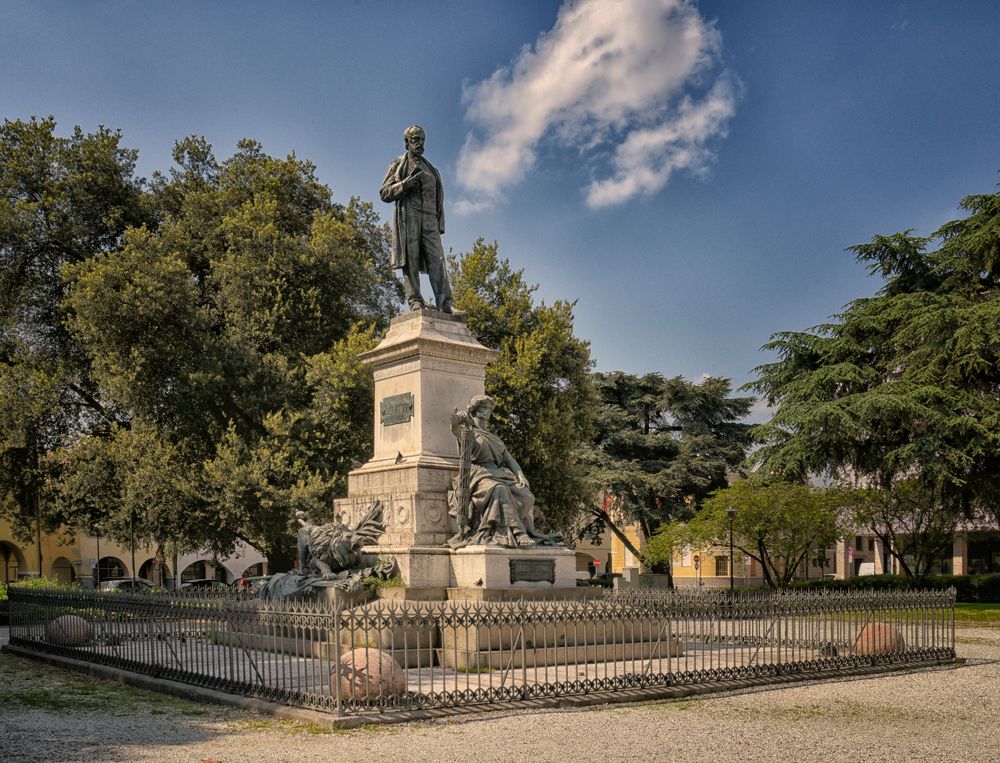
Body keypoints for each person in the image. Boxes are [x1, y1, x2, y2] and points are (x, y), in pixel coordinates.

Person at [448, 395, 562, 549]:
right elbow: (455, 429)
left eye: (489, 408)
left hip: (498, 473)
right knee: (498, 489)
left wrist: (520, 475)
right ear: (475, 410)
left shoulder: (495, 438)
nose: (488, 411)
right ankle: (517, 533)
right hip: (479, 474)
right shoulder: (469, 432)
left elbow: (509, 459)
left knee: (527, 496)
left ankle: (523, 531)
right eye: (484, 407)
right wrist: (456, 420)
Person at [379, 125, 453, 313]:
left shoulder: (432, 169)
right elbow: (384, 192)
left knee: (438, 259)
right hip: (409, 215)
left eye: (422, 140)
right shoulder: (398, 164)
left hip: (430, 219)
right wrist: (404, 184)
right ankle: (415, 301)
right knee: (410, 258)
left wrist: (437, 222)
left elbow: (438, 198)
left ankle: (445, 304)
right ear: (407, 142)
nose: (419, 143)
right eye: (415, 140)